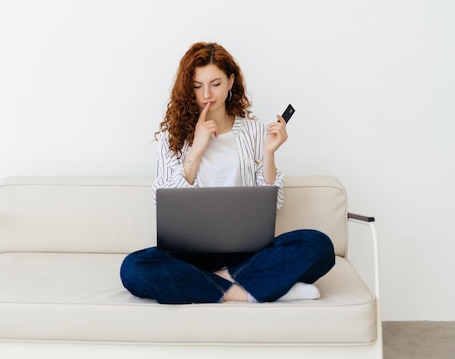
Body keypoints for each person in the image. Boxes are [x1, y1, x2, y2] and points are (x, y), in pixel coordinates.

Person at [120, 42, 335, 304]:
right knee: (133, 268)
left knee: (318, 245)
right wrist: (197, 149)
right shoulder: (171, 139)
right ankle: (247, 291)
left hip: (246, 252)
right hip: (189, 255)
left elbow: (273, 203)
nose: (207, 94)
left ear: (231, 81)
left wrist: (269, 154)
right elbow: (162, 201)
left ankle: (219, 279)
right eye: (198, 86)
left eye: (216, 83)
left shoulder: (254, 132)